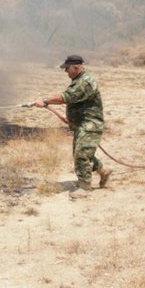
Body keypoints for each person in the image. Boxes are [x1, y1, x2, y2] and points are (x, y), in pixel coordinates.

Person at [33, 54, 107, 197]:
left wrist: (45, 100)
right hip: (82, 124)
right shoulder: (79, 79)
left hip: (90, 125)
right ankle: (103, 171)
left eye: (67, 68)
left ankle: (85, 187)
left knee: (81, 154)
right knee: (83, 153)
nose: (66, 72)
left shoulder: (85, 82)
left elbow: (67, 97)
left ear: (77, 67)